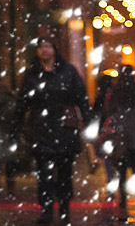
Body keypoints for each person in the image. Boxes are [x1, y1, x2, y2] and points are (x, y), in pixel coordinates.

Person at [14, 36, 90, 224]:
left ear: (54, 49)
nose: (44, 50)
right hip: (41, 128)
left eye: (48, 46)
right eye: (40, 47)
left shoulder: (68, 71)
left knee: (65, 171)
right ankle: (46, 207)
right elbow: (23, 102)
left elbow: (81, 98)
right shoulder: (32, 74)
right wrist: (16, 126)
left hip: (65, 127)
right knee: (44, 172)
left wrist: (88, 120)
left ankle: (64, 207)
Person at [101, 65, 135, 209]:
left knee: (122, 168)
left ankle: (123, 199)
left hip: (121, 134)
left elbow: (109, 110)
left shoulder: (116, 92)